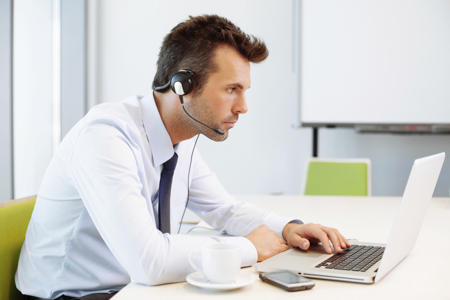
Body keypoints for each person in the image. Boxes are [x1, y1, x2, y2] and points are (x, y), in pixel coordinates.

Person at [16, 15, 350, 299]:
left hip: (132, 288)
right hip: (74, 294)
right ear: (182, 85)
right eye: (231, 89)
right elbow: (149, 262)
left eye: (244, 91)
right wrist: (250, 247)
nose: (243, 107)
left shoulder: (182, 136)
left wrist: (290, 228)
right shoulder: (105, 138)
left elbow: (224, 210)